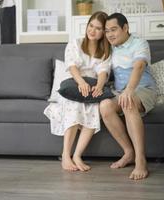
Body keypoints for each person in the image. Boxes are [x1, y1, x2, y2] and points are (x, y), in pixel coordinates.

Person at [44, 11, 111, 172]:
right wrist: (80, 82)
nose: (92, 30)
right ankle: (66, 155)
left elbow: (103, 71)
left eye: (98, 28)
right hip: (73, 84)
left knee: (93, 108)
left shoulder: (105, 51)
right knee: (74, 105)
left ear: (104, 32)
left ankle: (77, 155)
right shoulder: (75, 43)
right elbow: (72, 66)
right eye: (91, 26)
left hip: (92, 87)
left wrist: (100, 86)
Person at [100, 13, 157, 180]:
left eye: (114, 29)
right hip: (120, 92)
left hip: (143, 88)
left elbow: (139, 66)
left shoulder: (139, 43)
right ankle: (129, 152)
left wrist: (129, 90)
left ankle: (141, 160)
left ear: (125, 28)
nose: (110, 34)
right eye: (107, 31)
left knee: (128, 102)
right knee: (105, 106)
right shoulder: (110, 48)